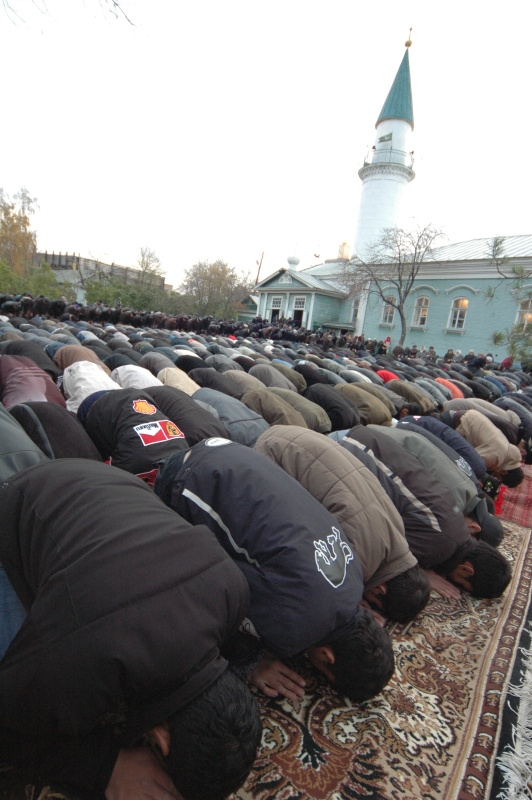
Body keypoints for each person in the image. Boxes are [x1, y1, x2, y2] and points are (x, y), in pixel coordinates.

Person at [0, 458, 262, 800]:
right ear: (160, 740)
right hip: (17, 503)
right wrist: (106, 767)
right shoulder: (77, 660)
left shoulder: (232, 589)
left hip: (104, 480)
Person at [154, 438, 395, 703]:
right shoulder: (294, 630)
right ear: (328, 657)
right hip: (184, 477)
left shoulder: (355, 576)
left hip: (226, 449)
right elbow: (219, 596)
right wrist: (251, 663)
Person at [254, 425, 430, 624]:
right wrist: (351, 603)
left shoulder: (398, 532)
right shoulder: (360, 561)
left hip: (298, 435)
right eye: (374, 603)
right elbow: (315, 591)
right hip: (274, 452)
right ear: (380, 590)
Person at [340, 425, 512, 600]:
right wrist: (421, 572)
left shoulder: (458, 525)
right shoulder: (439, 546)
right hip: (350, 448)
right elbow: (378, 553)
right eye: (460, 584)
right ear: (466, 569)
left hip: (366, 439)